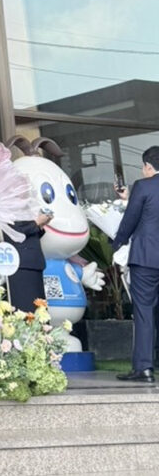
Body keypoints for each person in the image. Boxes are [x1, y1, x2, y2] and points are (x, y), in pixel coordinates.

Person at [112, 146, 159, 383]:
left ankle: (144, 367)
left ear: (148, 166)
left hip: (146, 258)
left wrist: (117, 243)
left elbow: (131, 219)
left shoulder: (143, 186)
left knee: (144, 311)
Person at [3, 211, 52, 312]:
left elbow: (30, 235)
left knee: (38, 304)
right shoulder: (7, 210)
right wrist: (37, 222)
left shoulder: (26, 211)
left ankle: (40, 321)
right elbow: (15, 232)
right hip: (21, 263)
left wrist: (41, 225)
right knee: (25, 303)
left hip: (35, 262)